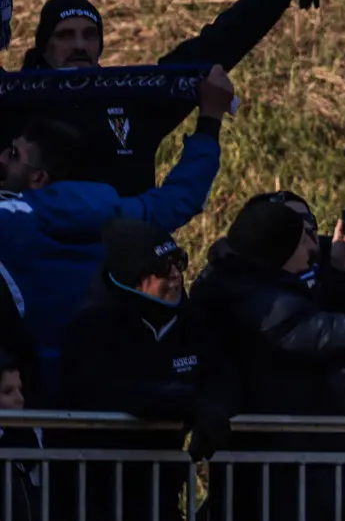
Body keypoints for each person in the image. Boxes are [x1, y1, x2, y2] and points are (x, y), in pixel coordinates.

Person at [0, 68, 231, 385]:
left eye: (13, 154)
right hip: (101, 384)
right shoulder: (111, 212)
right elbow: (180, 198)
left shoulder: (14, 217)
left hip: (28, 390)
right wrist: (209, 121)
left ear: (38, 178)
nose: (1, 157)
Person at [188, 199, 345, 516]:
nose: (313, 248)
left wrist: (340, 272)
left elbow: (312, 342)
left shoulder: (247, 289)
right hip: (284, 486)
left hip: (293, 477)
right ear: (280, 252)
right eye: (304, 237)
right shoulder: (267, 309)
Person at [19, 0, 295, 193]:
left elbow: (218, 43)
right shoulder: (15, 101)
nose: (79, 45)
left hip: (127, 256)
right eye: (65, 35)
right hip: (43, 256)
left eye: (89, 35)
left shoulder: (131, 97)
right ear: (45, 47)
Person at [55, 218, 205, 512]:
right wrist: (187, 402)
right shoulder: (91, 327)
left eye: (179, 261)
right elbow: (110, 389)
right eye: (164, 268)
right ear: (134, 276)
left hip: (160, 487)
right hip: (95, 492)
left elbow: (216, 369)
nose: (176, 275)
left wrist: (216, 405)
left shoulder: (192, 321)